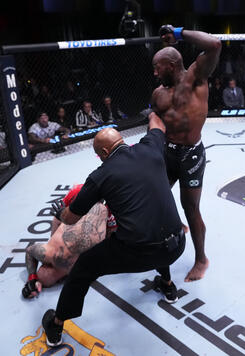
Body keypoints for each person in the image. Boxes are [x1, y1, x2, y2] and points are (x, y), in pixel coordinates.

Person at [42, 123, 186, 347]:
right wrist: (157, 103)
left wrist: (59, 211)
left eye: (99, 155)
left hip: (140, 252)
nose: (100, 159)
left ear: (105, 153)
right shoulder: (150, 146)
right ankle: (167, 285)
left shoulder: (101, 175)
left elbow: (70, 218)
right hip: (178, 244)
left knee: (84, 267)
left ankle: (56, 324)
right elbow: (157, 124)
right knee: (154, 223)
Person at [150, 25, 222, 282]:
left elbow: (214, 44)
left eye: (158, 68)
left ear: (171, 65)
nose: (155, 72)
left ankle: (201, 259)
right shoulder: (158, 93)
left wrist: (177, 32)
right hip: (166, 153)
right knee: (155, 196)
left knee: (191, 208)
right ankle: (175, 224)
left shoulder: (196, 78)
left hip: (191, 155)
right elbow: (154, 119)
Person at [22, 184, 117, 298]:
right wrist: (33, 278)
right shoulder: (50, 254)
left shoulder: (73, 268)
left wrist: (32, 278)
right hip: (91, 247)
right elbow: (30, 251)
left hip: (92, 213)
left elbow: (30, 250)